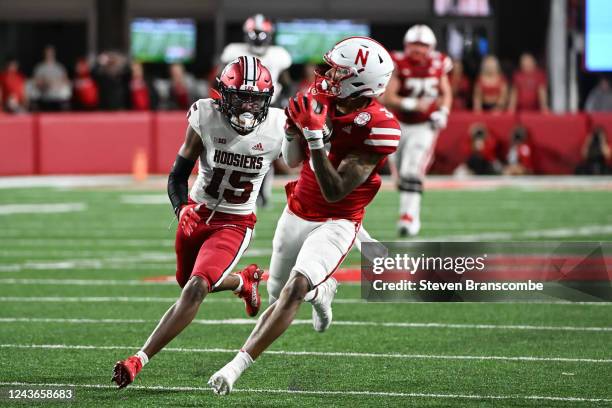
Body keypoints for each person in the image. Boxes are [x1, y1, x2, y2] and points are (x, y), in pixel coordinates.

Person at [208, 36, 399, 395]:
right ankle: (322, 290)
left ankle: (234, 368)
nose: (325, 73)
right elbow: (292, 162)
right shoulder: (317, 100)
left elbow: (336, 190)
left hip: (339, 219)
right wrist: (295, 133)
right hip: (298, 210)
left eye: (337, 70)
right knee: (279, 291)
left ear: (362, 80)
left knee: (294, 289)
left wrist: (314, 138)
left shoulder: (380, 126)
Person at [111, 56, 284, 388]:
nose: (248, 107)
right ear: (222, 95)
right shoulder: (206, 116)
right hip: (197, 214)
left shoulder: (279, 126)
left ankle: (138, 359)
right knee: (188, 281)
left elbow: (302, 161)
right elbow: (177, 176)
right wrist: (182, 209)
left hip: (235, 222)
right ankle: (243, 281)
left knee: (196, 288)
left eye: (255, 99)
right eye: (240, 97)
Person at [381, 24, 453, 237]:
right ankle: (409, 213)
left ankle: (409, 217)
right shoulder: (399, 63)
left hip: (424, 125)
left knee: (413, 171)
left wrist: (444, 112)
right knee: (400, 178)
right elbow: (388, 97)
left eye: (422, 45)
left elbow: (445, 91)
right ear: (406, 45)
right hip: (399, 123)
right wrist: (411, 104)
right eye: (414, 45)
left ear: (431, 47)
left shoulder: (439, 63)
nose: (418, 50)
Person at [220, 14, 293, 209]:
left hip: (270, 108)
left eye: (262, 34)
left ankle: (262, 194)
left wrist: (285, 101)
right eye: (255, 34)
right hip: (240, 107)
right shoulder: (233, 52)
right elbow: (222, 80)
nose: (259, 39)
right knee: (236, 151)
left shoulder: (278, 55)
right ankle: (233, 189)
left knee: (262, 152)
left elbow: (286, 84)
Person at [32, 45, 71, 111]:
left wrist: (57, 83)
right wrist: (45, 82)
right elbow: (36, 82)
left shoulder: (59, 67)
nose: (49, 54)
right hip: (45, 97)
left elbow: (66, 81)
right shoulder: (40, 68)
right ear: (44, 54)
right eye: (47, 53)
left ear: (54, 54)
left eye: (51, 53)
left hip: (58, 98)